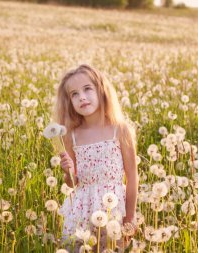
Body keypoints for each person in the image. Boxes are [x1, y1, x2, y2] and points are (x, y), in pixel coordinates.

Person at [54, 64, 139, 252]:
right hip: (81, 211)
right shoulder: (72, 136)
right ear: (69, 102)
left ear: (101, 91)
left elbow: (132, 177)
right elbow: (72, 184)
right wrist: (67, 172)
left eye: (87, 89)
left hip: (114, 209)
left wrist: (130, 217)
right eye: (74, 94)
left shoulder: (120, 130)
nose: (81, 97)